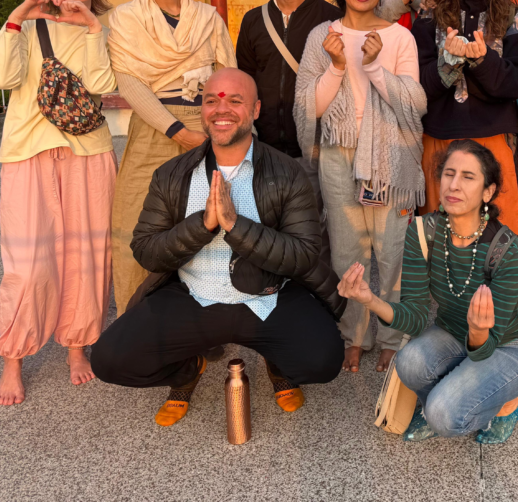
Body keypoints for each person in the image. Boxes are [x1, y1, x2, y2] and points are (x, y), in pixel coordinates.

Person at [91, 68, 345, 426]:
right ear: (202, 110)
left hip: (267, 298)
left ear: (255, 110)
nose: (221, 109)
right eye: (212, 100)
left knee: (324, 359)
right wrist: (203, 225)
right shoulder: (172, 174)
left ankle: (277, 361)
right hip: (194, 296)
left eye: (235, 100)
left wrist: (235, 226)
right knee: (109, 360)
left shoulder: (287, 172)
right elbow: (146, 249)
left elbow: (303, 253)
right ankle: (186, 369)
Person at [337, 140, 518, 443]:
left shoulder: (507, 251)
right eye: (449, 174)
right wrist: (368, 299)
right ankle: (449, 397)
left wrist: (477, 330)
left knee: (444, 415)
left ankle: (511, 402)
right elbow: (414, 317)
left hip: (508, 346)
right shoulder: (423, 232)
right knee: (408, 362)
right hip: (453, 331)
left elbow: (487, 345)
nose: (454, 184)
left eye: (468, 177)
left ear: (487, 192)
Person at [0, 0, 118, 405]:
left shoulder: (100, 26)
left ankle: (77, 347)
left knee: (86, 255)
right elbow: (2, 77)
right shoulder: (25, 26)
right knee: (26, 262)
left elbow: (102, 85)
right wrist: (20, 13)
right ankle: (14, 358)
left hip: (88, 153)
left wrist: (92, 29)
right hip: (28, 153)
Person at [294, 0, 426, 375]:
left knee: (391, 251)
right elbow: (308, 108)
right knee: (347, 252)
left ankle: (391, 334)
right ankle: (355, 335)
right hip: (338, 154)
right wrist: (336, 67)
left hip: (389, 154)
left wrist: (371, 67)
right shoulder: (321, 36)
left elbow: (414, 104)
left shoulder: (399, 37)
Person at [107, 0, 235, 315]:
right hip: (153, 126)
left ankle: (204, 320)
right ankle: (135, 319)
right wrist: (176, 130)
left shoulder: (208, 17)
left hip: (207, 123)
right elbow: (129, 81)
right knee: (132, 222)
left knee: (206, 224)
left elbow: (227, 74)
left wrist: (221, 128)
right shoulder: (124, 19)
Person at [411, 0, 518, 235]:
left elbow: (516, 83)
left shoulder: (510, 15)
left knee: (498, 245)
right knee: (442, 246)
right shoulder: (429, 13)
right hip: (439, 140)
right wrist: (448, 63)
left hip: (492, 139)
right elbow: (417, 86)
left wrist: (482, 59)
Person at [236, 0, 341, 249]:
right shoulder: (253, 21)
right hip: (264, 153)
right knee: (265, 240)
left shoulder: (332, 20)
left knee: (314, 241)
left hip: (314, 155)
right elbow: (246, 83)